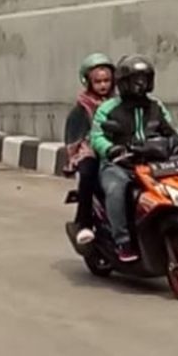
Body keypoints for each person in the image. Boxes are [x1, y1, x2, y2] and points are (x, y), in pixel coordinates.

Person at [90, 55, 177, 263]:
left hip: (153, 164)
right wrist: (110, 149)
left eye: (144, 79)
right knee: (116, 189)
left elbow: (171, 130)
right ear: (123, 83)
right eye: (135, 80)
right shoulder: (109, 108)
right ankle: (123, 240)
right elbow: (96, 136)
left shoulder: (156, 106)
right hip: (120, 165)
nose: (140, 84)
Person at [63, 53, 115, 245]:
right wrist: (79, 153)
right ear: (88, 82)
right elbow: (73, 137)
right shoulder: (82, 107)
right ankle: (83, 223)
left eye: (107, 80)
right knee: (88, 175)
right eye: (98, 81)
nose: (103, 85)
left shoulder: (119, 103)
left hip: (116, 150)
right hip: (90, 151)